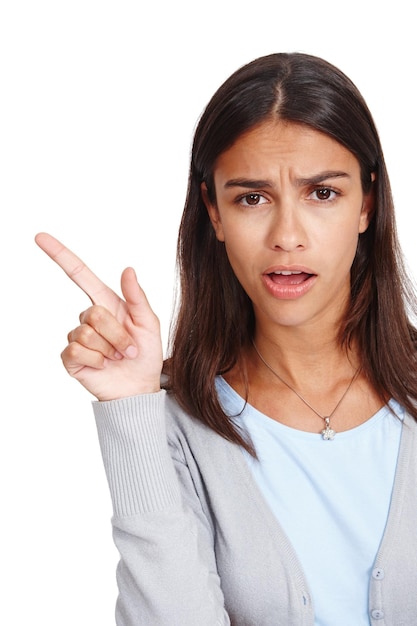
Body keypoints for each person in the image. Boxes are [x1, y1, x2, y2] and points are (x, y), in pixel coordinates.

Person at [35, 52, 417, 626]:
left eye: (322, 194)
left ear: (366, 203)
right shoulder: (180, 423)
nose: (287, 235)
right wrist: (132, 408)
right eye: (251, 198)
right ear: (213, 213)